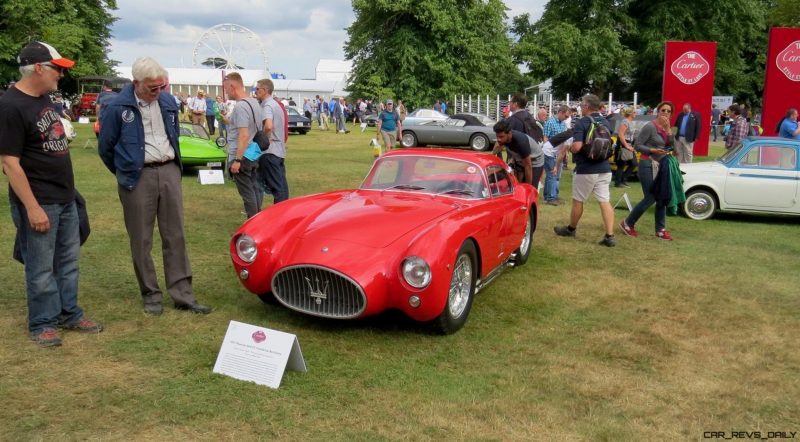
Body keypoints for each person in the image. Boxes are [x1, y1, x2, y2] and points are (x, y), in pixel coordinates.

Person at [0, 41, 103, 347]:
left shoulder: (44, 99)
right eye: (58, 69)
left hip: (65, 197)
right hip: (39, 200)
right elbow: (9, 162)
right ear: (40, 68)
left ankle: (69, 313)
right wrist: (32, 207)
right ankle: (43, 322)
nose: (61, 75)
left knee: (69, 261)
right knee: (41, 266)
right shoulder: (10, 106)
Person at [98, 57, 211, 316]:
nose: (158, 92)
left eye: (161, 86)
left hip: (169, 171)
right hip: (137, 177)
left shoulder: (168, 102)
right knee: (141, 238)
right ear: (136, 83)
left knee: (176, 235)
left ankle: (183, 294)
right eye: (152, 88)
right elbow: (105, 147)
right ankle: (150, 293)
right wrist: (126, 171)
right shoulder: (117, 107)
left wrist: (173, 167)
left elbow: (173, 136)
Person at [553, 94, 616, 247]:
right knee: (604, 201)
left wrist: (570, 149)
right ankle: (610, 235)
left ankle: (571, 229)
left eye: (581, 105)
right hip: (604, 167)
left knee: (578, 200)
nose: (580, 108)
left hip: (586, 168)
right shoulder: (605, 121)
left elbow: (578, 147)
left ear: (587, 107)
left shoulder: (583, 122)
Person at [619, 101, 676, 241]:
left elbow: (672, 147)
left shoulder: (668, 129)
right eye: (663, 110)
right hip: (647, 164)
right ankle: (627, 223)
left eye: (669, 111)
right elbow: (638, 145)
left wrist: (669, 130)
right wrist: (652, 150)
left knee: (661, 197)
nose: (666, 113)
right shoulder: (650, 127)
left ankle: (661, 230)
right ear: (658, 111)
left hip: (661, 165)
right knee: (651, 197)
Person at [222, 72, 263, 218]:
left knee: (247, 193)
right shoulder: (254, 103)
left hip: (242, 155)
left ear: (233, 86)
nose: (226, 93)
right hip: (253, 153)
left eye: (226, 89)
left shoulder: (240, 107)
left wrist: (237, 160)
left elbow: (244, 135)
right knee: (254, 189)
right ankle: (258, 221)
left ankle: (252, 225)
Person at [255, 78, 289, 204]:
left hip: (270, 152)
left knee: (277, 188)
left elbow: (268, 126)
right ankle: (284, 214)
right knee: (282, 188)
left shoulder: (268, 105)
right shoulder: (276, 104)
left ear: (265, 90)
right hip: (278, 151)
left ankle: (279, 217)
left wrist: (262, 142)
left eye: (257, 89)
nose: (255, 91)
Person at [492, 119, 544, 188]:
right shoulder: (503, 139)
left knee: (530, 187)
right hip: (520, 159)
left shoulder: (521, 142)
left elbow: (528, 166)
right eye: (497, 136)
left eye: (501, 137)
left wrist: (528, 188)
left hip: (535, 162)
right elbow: (494, 152)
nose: (499, 139)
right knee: (517, 186)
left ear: (509, 133)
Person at [542, 105, 569, 204]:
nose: (566, 118)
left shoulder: (564, 124)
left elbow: (565, 141)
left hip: (558, 152)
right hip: (549, 152)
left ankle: (553, 195)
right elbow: (545, 138)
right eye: (566, 116)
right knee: (552, 174)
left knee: (556, 175)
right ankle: (550, 198)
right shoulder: (550, 122)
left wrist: (565, 153)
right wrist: (548, 152)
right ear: (560, 112)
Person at [613, 107, 637, 188]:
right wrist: (626, 145)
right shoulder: (625, 121)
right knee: (622, 163)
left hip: (629, 144)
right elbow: (621, 134)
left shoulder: (631, 122)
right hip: (623, 144)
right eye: (634, 112)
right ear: (630, 113)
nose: (635, 113)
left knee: (633, 163)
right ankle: (618, 182)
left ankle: (623, 179)